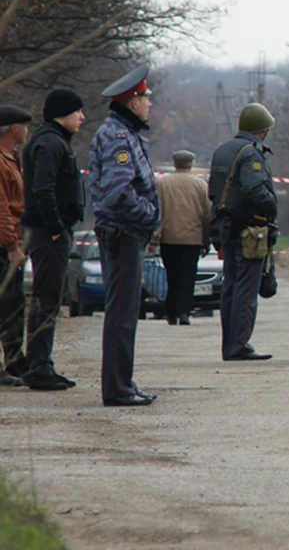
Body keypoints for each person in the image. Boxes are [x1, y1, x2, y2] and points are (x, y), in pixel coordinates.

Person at [88, 65, 161, 407]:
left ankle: (124, 383)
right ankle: (117, 388)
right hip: (123, 233)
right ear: (132, 102)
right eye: (146, 97)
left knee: (127, 312)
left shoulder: (124, 132)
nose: (150, 102)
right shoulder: (118, 136)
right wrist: (149, 215)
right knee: (121, 313)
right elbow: (118, 191)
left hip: (126, 233)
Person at [18, 89, 87, 391]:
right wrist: (57, 227)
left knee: (49, 300)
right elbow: (43, 189)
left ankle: (42, 362)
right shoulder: (49, 143)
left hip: (50, 232)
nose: (82, 117)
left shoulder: (54, 141)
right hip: (49, 234)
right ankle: (38, 367)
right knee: (46, 301)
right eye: (78, 111)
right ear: (63, 113)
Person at [208, 103, 278, 362]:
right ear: (263, 130)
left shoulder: (221, 150)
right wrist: (273, 207)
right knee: (247, 290)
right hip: (250, 229)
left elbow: (213, 192)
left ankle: (230, 345)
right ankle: (240, 345)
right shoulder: (251, 153)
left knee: (231, 286)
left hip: (226, 226)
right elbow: (254, 190)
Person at [155, 150, 212, 326]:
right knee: (188, 277)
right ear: (191, 165)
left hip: (169, 238)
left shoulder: (162, 183)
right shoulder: (201, 185)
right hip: (192, 239)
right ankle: (184, 312)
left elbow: (157, 211)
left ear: (174, 164)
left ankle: (170, 312)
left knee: (171, 276)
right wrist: (206, 240)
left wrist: (154, 238)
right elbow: (207, 215)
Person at [0, 105, 32, 388]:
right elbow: (2, 209)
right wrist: (12, 246)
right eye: (24, 125)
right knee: (5, 303)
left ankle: (14, 359)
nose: (27, 130)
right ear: (12, 129)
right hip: (3, 244)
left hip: (12, 240)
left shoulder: (12, 158)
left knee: (13, 303)